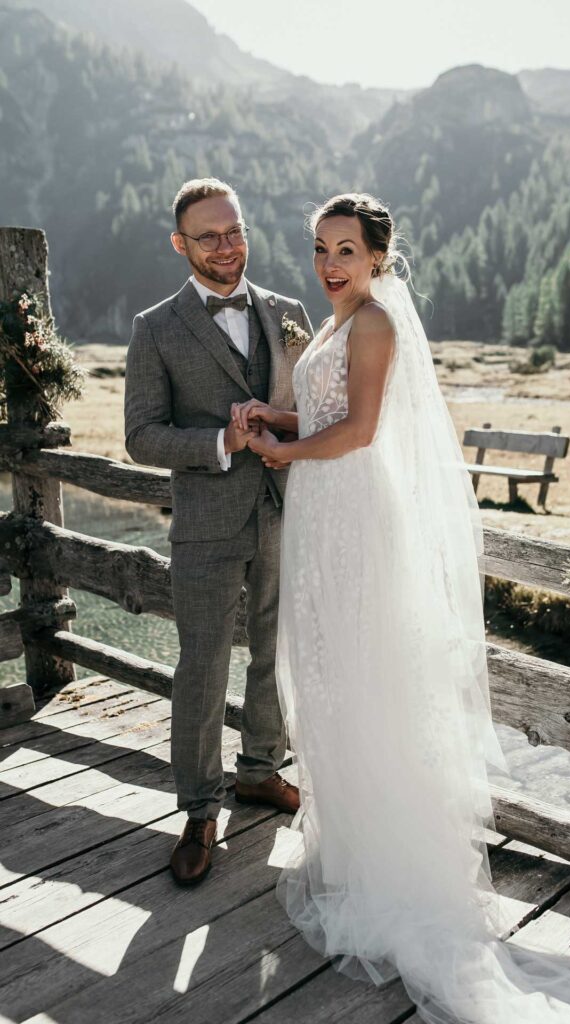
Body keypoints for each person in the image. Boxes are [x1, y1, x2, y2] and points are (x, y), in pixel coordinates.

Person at [233, 193, 570, 1023]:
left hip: (353, 512)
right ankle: (352, 856)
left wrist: (281, 451)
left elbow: (361, 431)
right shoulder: (337, 323)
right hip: (322, 513)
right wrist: (276, 417)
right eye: (321, 248)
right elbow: (328, 413)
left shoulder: (374, 324)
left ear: (378, 257)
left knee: (364, 684)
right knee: (333, 683)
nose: (330, 264)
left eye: (346, 250)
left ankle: (389, 876)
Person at [124, 178, 313, 887]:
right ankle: (200, 809)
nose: (227, 246)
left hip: (285, 511)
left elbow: (311, 407)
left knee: (275, 651)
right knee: (202, 666)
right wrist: (221, 443)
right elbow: (142, 436)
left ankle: (260, 770)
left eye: (235, 231)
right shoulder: (154, 328)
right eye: (209, 236)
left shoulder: (290, 313)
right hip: (205, 523)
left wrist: (285, 436)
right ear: (181, 244)